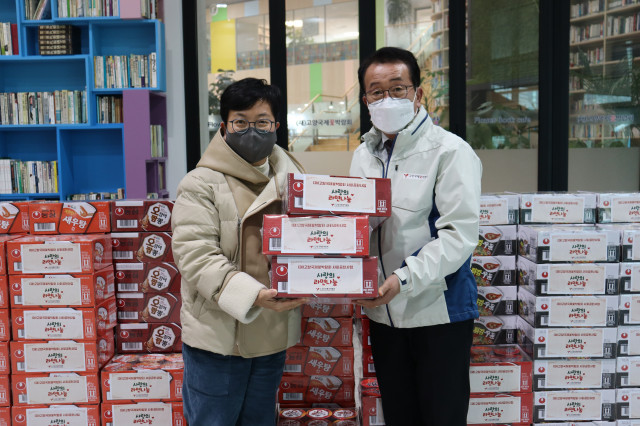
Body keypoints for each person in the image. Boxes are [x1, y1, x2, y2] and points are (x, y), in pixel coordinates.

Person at [351, 47, 482, 425]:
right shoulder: (364, 155)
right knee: (399, 415)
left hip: (438, 313)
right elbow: (355, 226)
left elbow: (458, 236)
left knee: (442, 417)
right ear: (366, 100)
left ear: (418, 94)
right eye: (376, 92)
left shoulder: (450, 151)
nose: (387, 99)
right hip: (383, 315)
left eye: (397, 88)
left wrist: (401, 279)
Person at [171, 78, 307, 426]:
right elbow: (195, 255)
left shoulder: (296, 180)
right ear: (224, 127)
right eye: (240, 122)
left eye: (262, 122)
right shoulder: (200, 183)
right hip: (218, 339)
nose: (252, 131)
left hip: (271, 331)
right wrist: (253, 295)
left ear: (276, 126)